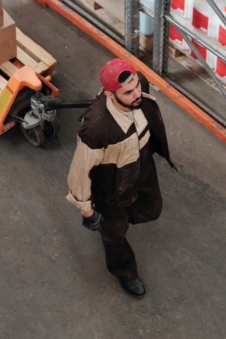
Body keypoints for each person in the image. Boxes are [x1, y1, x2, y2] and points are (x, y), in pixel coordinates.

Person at [66, 58, 175, 299]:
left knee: (152, 209)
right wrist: (87, 211)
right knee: (115, 234)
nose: (137, 93)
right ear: (109, 94)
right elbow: (79, 171)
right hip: (111, 185)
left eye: (137, 85)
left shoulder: (139, 88)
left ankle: (117, 223)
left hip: (142, 166)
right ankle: (124, 270)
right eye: (128, 92)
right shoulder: (96, 128)